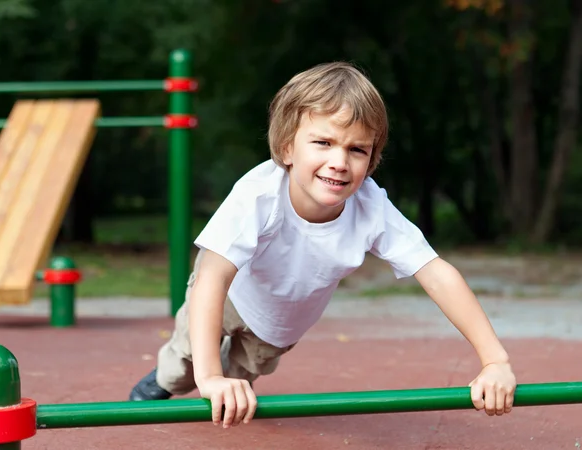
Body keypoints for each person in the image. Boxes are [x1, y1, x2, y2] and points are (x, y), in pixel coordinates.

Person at [129, 61, 517, 428]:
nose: (339, 161)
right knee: (190, 358)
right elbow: (213, 275)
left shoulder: (371, 208)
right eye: (323, 142)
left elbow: (436, 274)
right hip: (230, 294)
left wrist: (495, 360)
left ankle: (216, 377)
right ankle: (163, 381)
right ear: (286, 149)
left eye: (356, 149)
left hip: (277, 326)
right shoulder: (259, 194)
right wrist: (209, 375)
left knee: (236, 386)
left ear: (372, 160)